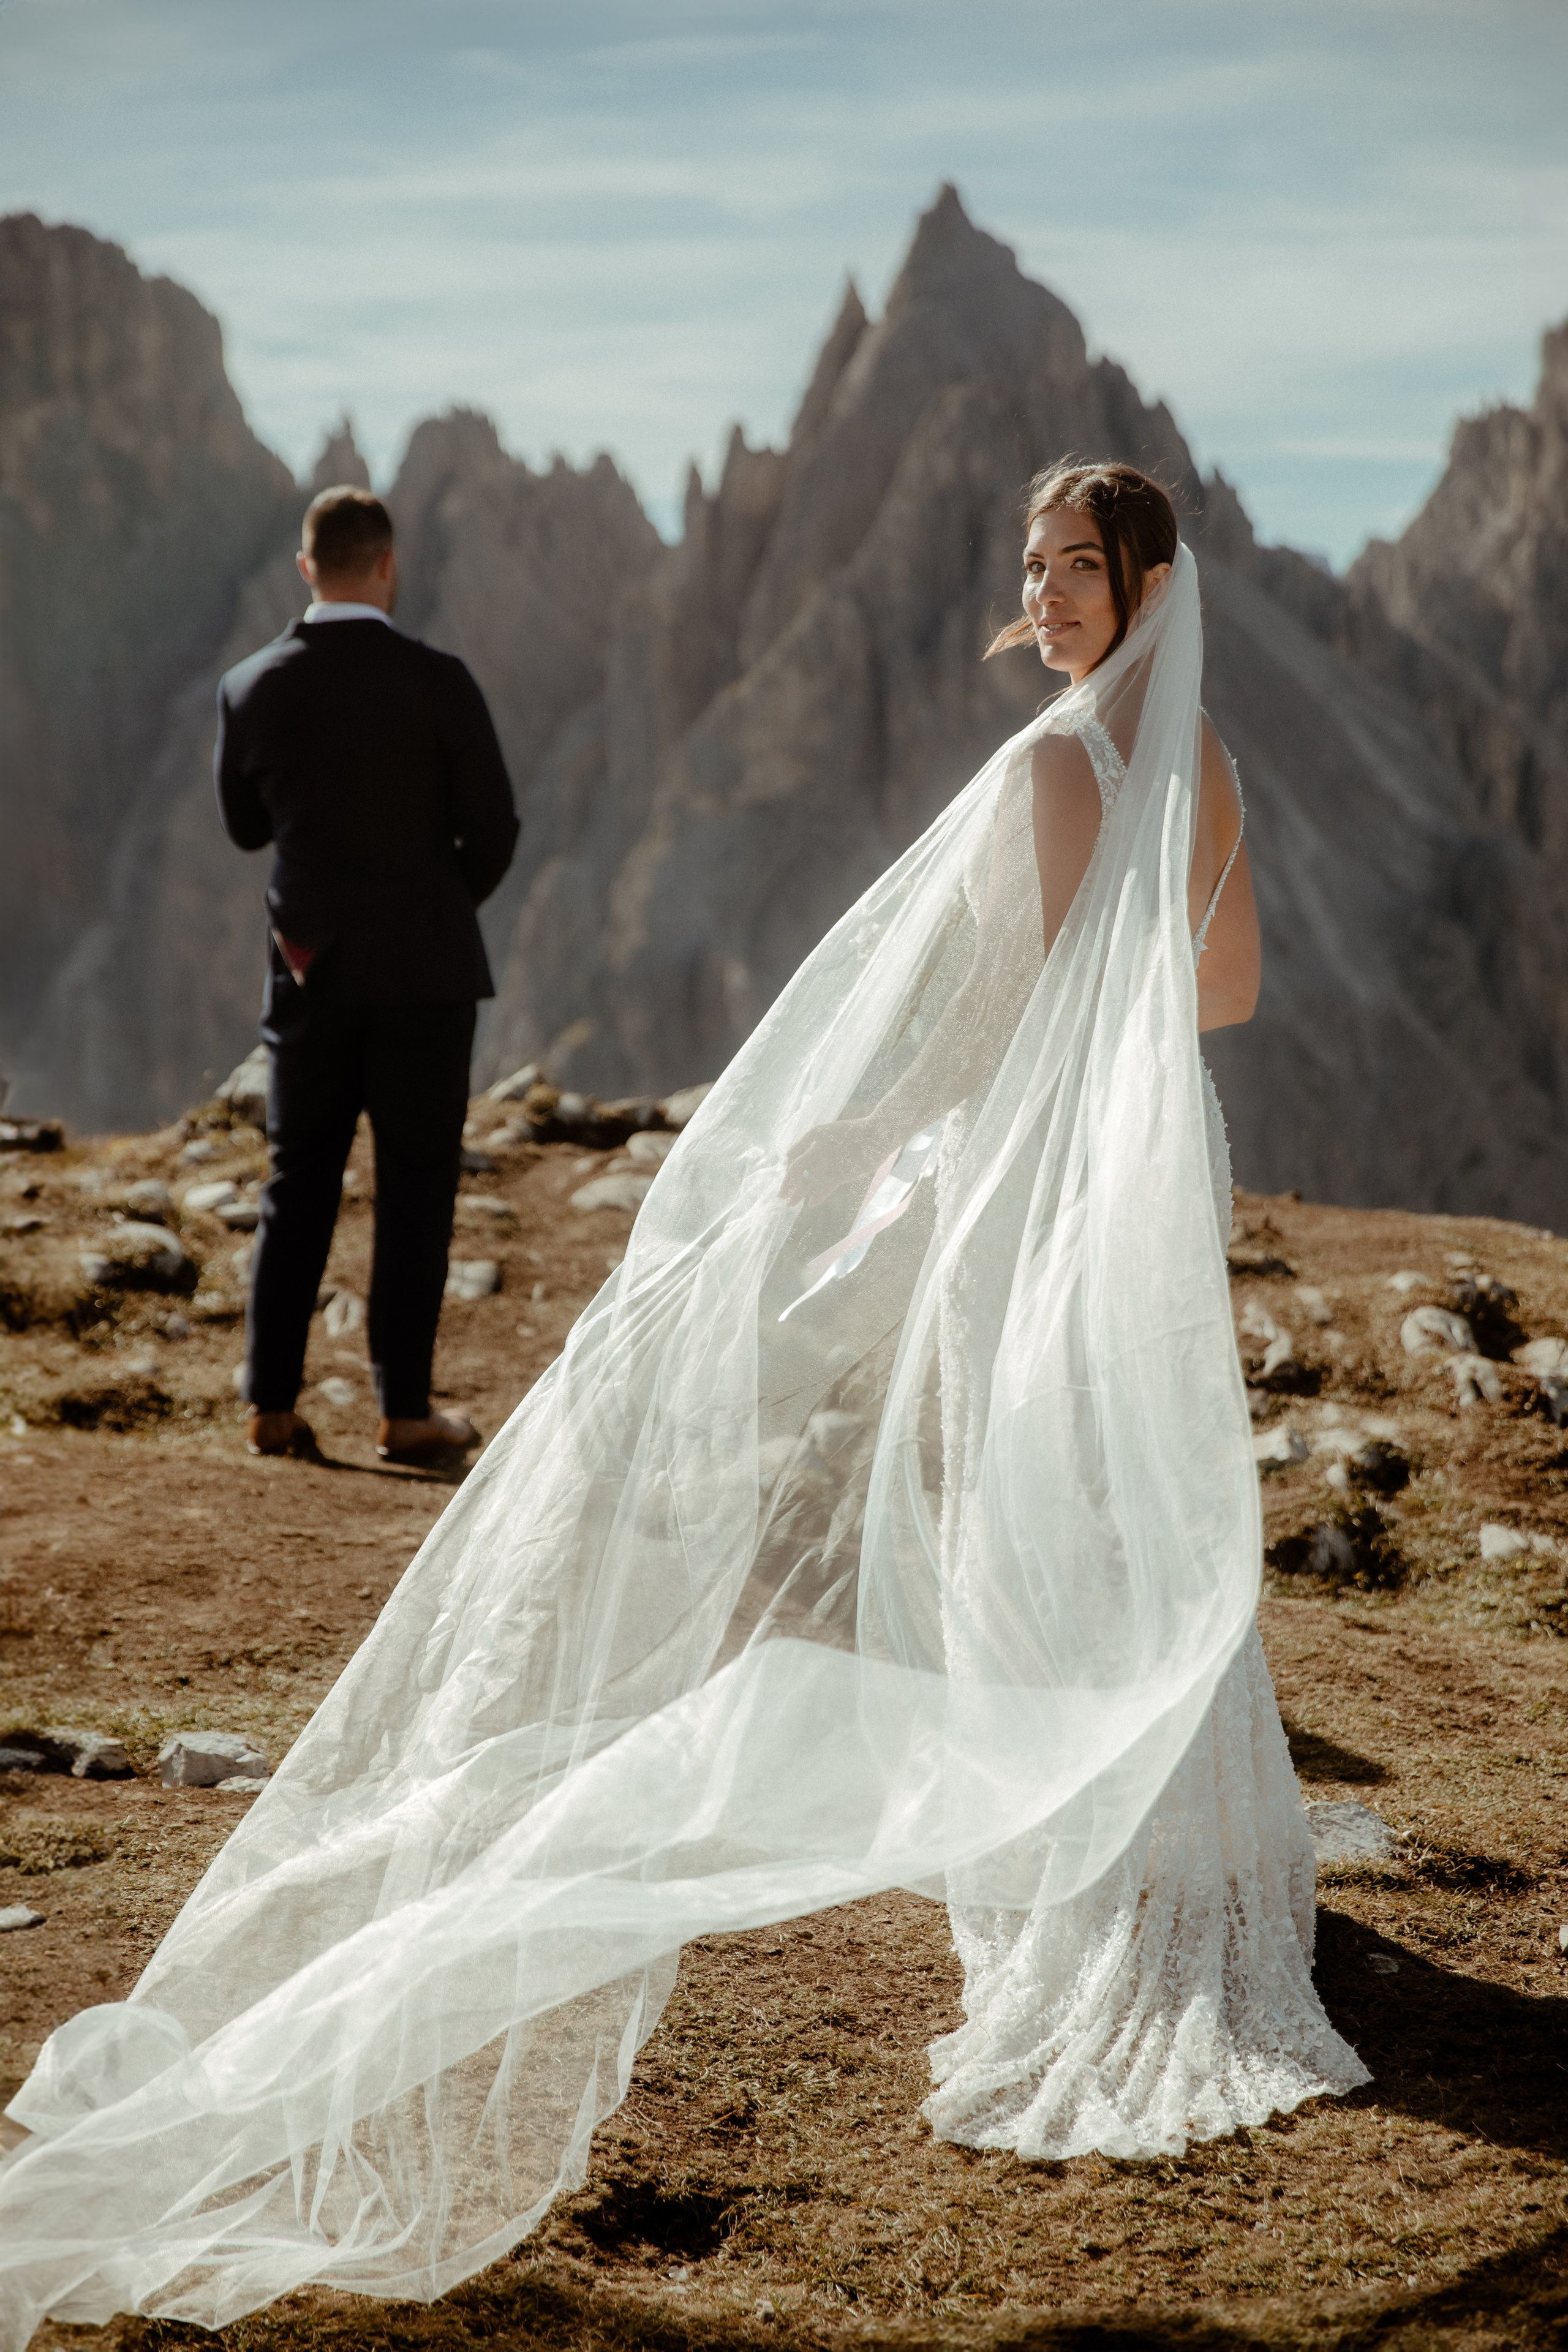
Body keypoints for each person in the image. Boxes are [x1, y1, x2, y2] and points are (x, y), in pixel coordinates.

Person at [0, 464, 1365, 2346]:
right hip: (1151, 1165)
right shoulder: (1198, 759)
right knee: (1127, 1476)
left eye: (1080, 567)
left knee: (1033, 1488)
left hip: (1039, 1179)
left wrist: (870, 1133)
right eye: (1034, 564)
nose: (1048, 594)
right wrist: (1089, 1056)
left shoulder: (1060, 766)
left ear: (1148, 583)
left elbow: (1016, 1018)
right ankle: (1176, 1841)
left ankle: (1085, 1848)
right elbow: (1221, 991)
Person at [213, 486, 519, 1465]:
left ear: (307, 569)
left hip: (310, 970)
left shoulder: (249, 686)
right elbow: (495, 828)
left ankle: (270, 1404)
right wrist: (436, 908)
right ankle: (404, 1411)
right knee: (416, 1186)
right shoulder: (441, 682)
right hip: (429, 972)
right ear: (388, 564)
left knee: (297, 1175)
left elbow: (245, 828)